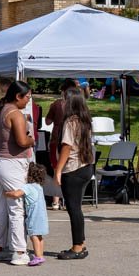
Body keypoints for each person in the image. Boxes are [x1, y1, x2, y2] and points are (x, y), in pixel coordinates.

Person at [0, 80, 34, 266]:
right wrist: (31, 139)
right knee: (16, 208)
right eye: (27, 97)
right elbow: (22, 141)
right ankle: (19, 251)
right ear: (18, 96)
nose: (28, 101)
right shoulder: (15, 114)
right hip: (11, 163)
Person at [56, 87, 95, 258]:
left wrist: (58, 170)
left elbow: (67, 146)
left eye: (64, 99)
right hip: (86, 166)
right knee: (76, 207)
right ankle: (81, 242)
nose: (62, 103)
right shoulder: (85, 120)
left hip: (73, 168)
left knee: (74, 208)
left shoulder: (70, 122)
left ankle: (77, 247)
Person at [4, 162, 48, 266]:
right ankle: (40, 255)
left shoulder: (28, 187)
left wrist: (6, 193)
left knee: (34, 237)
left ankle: (37, 257)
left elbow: (16, 194)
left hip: (34, 217)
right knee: (39, 237)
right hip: (42, 216)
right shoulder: (39, 187)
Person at [44, 79, 78, 210]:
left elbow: (47, 122)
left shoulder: (57, 104)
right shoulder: (78, 105)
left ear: (63, 91)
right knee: (70, 169)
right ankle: (69, 199)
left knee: (56, 169)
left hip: (56, 138)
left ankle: (55, 201)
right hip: (74, 141)